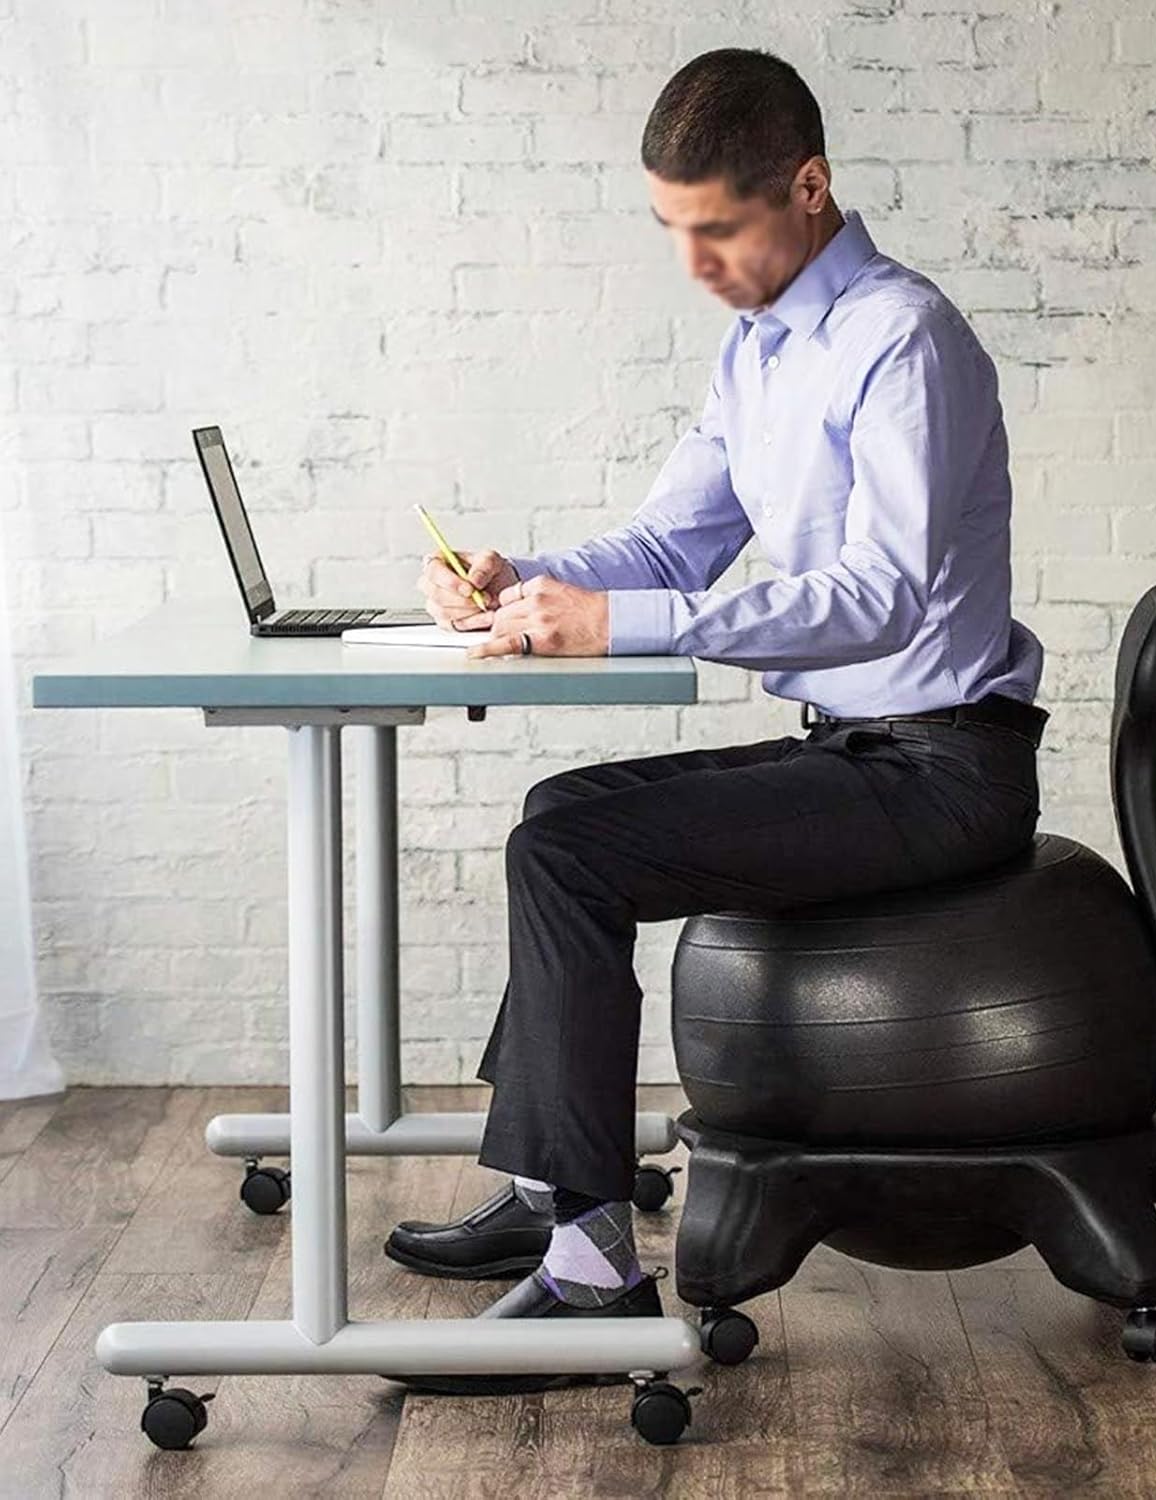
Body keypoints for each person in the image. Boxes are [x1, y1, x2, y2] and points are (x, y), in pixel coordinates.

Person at [382, 46, 1047, 1396]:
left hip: (941, 773)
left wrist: (612, 627)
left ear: (808, 189)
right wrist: (532, 579)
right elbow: (670, 543)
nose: (695, 265)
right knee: (559, 817)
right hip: (858, 754)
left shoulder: (902, 342)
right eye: (670, 232)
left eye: (717, 231)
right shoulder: (757, 344)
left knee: (569, 852)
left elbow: (879, 598)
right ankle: (545, 1186)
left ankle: (588, 1276)